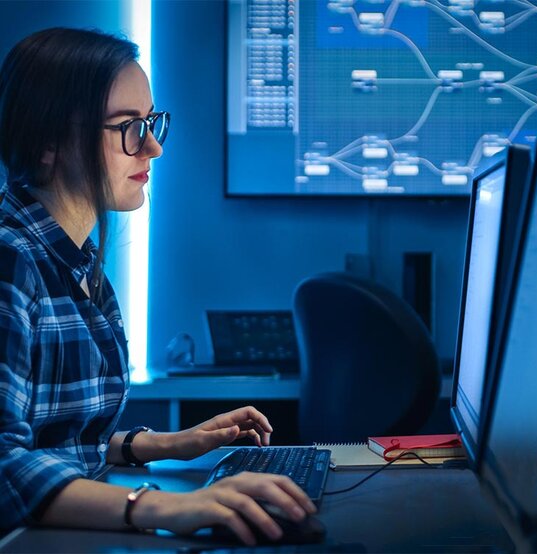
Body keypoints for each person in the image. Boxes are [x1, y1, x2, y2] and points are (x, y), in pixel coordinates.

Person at [0, 27, 315, 545]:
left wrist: (169, 444)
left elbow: (59, 445)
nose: (152, 147)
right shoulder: (11, 261)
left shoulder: (79, 267)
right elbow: (6, 467)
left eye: (151, 122)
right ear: (48, 142)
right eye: (127, 126)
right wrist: (167, 506)